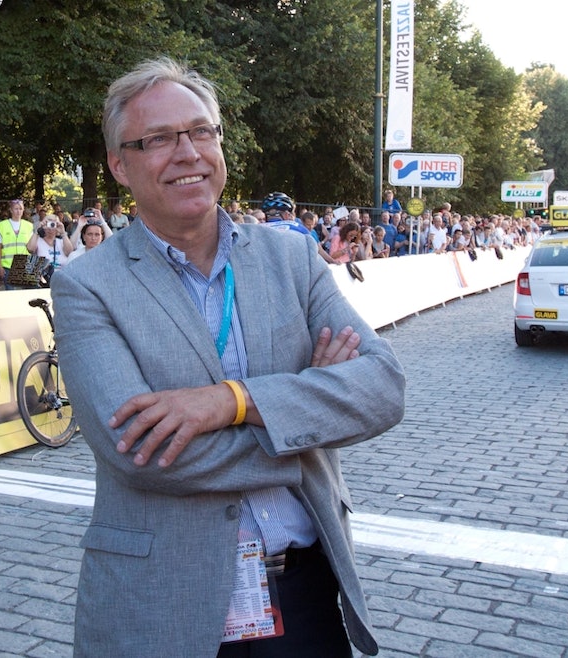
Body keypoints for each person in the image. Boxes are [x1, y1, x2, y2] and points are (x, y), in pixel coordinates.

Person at [49, 57, 405, 658]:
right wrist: (305, 414)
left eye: (200, 131)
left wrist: (231, 402)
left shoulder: (292, 259)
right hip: (160, 601)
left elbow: (383, 387)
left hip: (304, 594)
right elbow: (140, 454)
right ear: (119, 164)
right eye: (158, 139)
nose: (186, 152)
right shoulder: (88, 286)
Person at [0, 199, 32, 289]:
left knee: (26, 295)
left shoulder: (29, 226)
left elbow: (32, 246)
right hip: (8, 265)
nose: (18, 211)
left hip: (24, 265)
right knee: (10, 294)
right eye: (16, 209)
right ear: (11, 210)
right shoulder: (2, 226)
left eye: (20, 209)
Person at [26, 213, 73, 280]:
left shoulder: (62, 242)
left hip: (62, 278)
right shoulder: (37, 241)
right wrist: (37, 230)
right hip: (43, 280)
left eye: (53, 224)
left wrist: (63, 233)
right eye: (48, 223)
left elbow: (69, 252)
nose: (50, 228)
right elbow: (30, 249)